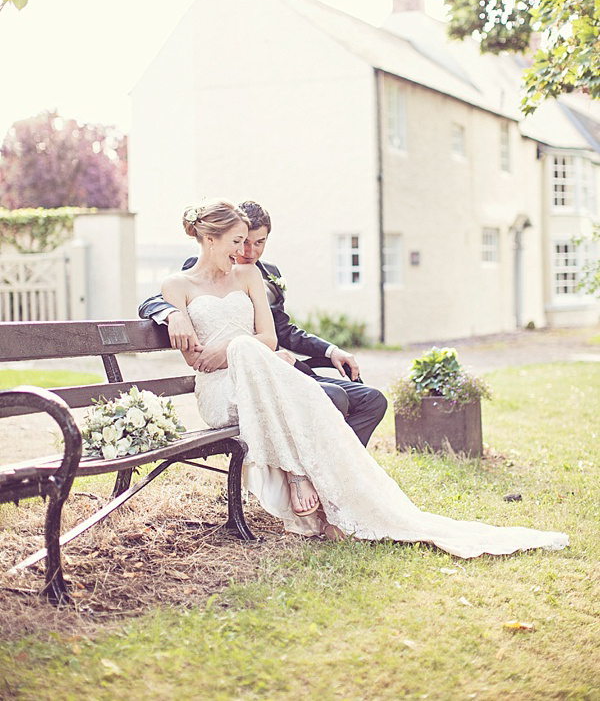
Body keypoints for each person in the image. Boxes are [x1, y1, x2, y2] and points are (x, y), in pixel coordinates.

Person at [159, 197, 569, 556]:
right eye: (237, 242)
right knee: (289, 379)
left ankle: (321, 482)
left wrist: (234, 343)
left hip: (263, 377)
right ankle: (304, 475)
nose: (245, 251)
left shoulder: (249, 276)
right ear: (210, 238)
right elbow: (196, 359)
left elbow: (267, 338)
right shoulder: (177, 285)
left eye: (252, 242)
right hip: (221, 392)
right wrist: (179, 316)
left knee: (267, 359)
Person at [139, 199, 387, 448]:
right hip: (232, 381)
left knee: (372, 400)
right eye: (241, 241)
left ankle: (339, 468)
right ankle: (325, 472)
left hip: (278, 366)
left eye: (259, 242)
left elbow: (280, 332)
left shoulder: (262, 273)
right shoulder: (192, 274)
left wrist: (330, 351)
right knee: (333, 398)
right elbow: (156, 302)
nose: (247, 252)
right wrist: (171, 314)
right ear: (215, 239)